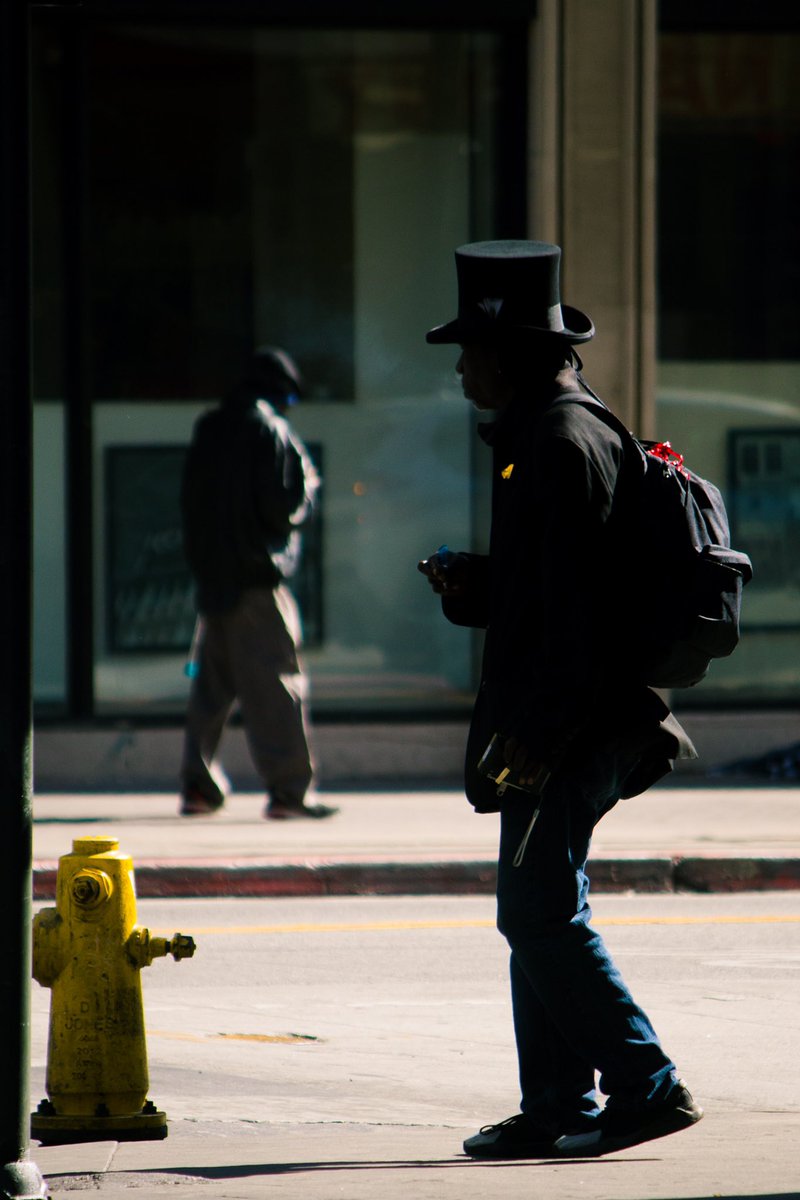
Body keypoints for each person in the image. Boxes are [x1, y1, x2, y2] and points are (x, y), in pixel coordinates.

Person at [418, 240, 702, 1158]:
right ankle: (556, 1109)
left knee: (537, 910)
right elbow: (556, 586)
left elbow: (579, 621)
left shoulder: (560, 441)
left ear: (505, 353)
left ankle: (645, 1085)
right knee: (536, 907)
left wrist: (539, 736)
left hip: (572, 723)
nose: (460, 368)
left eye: (468, 350)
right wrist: (479, 585)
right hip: (561, 717)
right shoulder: (547, 434)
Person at [179, 346, 337, 821]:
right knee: (277, 684)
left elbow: (191, 503)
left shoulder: (210, 428)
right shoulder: (270, 430)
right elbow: (282, 508)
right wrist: (307, 489)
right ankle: (290, 791)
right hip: (258, 582)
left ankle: (199, 787)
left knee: (211, 687)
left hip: (214, 578)